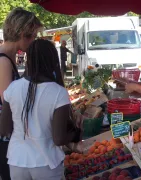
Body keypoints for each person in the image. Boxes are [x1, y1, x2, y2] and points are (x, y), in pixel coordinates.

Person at [0, 39, 81, 180]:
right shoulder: (58, 92)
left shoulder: (13, 88)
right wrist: (76, 133)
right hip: (47, 164)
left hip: (17, 162)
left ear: (28, 60)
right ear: (53, 60)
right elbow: (59, 138)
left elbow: (4, 129)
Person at [0, 7, 43, 180]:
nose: (34, 41)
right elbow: (9, 103)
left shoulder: (7, 58)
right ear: (22, 33)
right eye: (33, 35)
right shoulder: (3, 61)